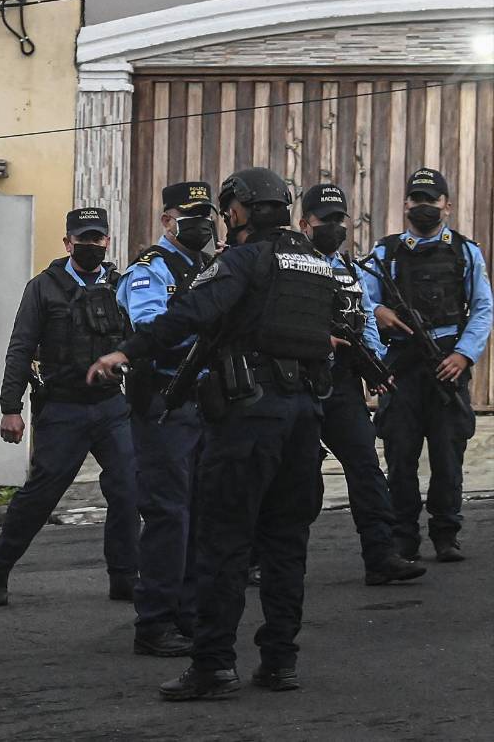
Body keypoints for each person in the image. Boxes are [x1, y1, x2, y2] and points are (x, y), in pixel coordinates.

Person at [89, 167, 339, 700]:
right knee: (285, 545)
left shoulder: (241, 260)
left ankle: (213, 665)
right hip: (304, 418)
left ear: (242, 209)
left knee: (222, 542)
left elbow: (187, 315)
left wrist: (125, 352)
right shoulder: (316, 264)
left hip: (250, 417)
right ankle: (278, 662)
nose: (226, 218)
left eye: (230, 209)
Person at [0, 207, 138, 606]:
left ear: (107, 241)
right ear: (67, 243)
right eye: (82, 239)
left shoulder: (120, 286)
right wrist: (10, 407)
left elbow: (139, 340)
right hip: (62, 409)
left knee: (128, 488)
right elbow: (20, 348)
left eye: (97, 238)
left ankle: (124, 575)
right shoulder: (43, 288)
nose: (90, 245)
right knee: (41, 495)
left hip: (110, 406)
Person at [360, 168, 492, 563]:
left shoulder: (466, 251)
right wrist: (379, 310)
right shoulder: (384, 253)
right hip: (401, 364)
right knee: (400, 455)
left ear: (446, 206)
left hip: (447, 363)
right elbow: (357, 299)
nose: (423, 207)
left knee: (448, 455)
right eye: (416, 200)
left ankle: (446, 533)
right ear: (405, 205)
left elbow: (483, 307)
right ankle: (404, 537)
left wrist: (464, 353)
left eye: (431, 201)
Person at [297, 184, 426, 586]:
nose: (335, 226)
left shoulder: (350, 269)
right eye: (326, 220)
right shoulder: (292, 265)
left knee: (367, 468)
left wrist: (372, 363)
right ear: (305, 225)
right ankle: (264, 559)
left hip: (342, 385)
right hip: (299, 384)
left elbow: (367, 317)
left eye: (340, 219)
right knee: (296, 477)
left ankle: (381, 554)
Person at [116, 181, 215, 657]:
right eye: (188, 215)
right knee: (168, 515)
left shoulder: (210, 268)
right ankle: (154, 622)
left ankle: (189, 614)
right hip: (165, 400)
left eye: (205, 215)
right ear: (165, 220)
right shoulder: (149, 271)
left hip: (205, 402)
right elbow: (151, 328)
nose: (200, 223)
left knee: (200, 513)